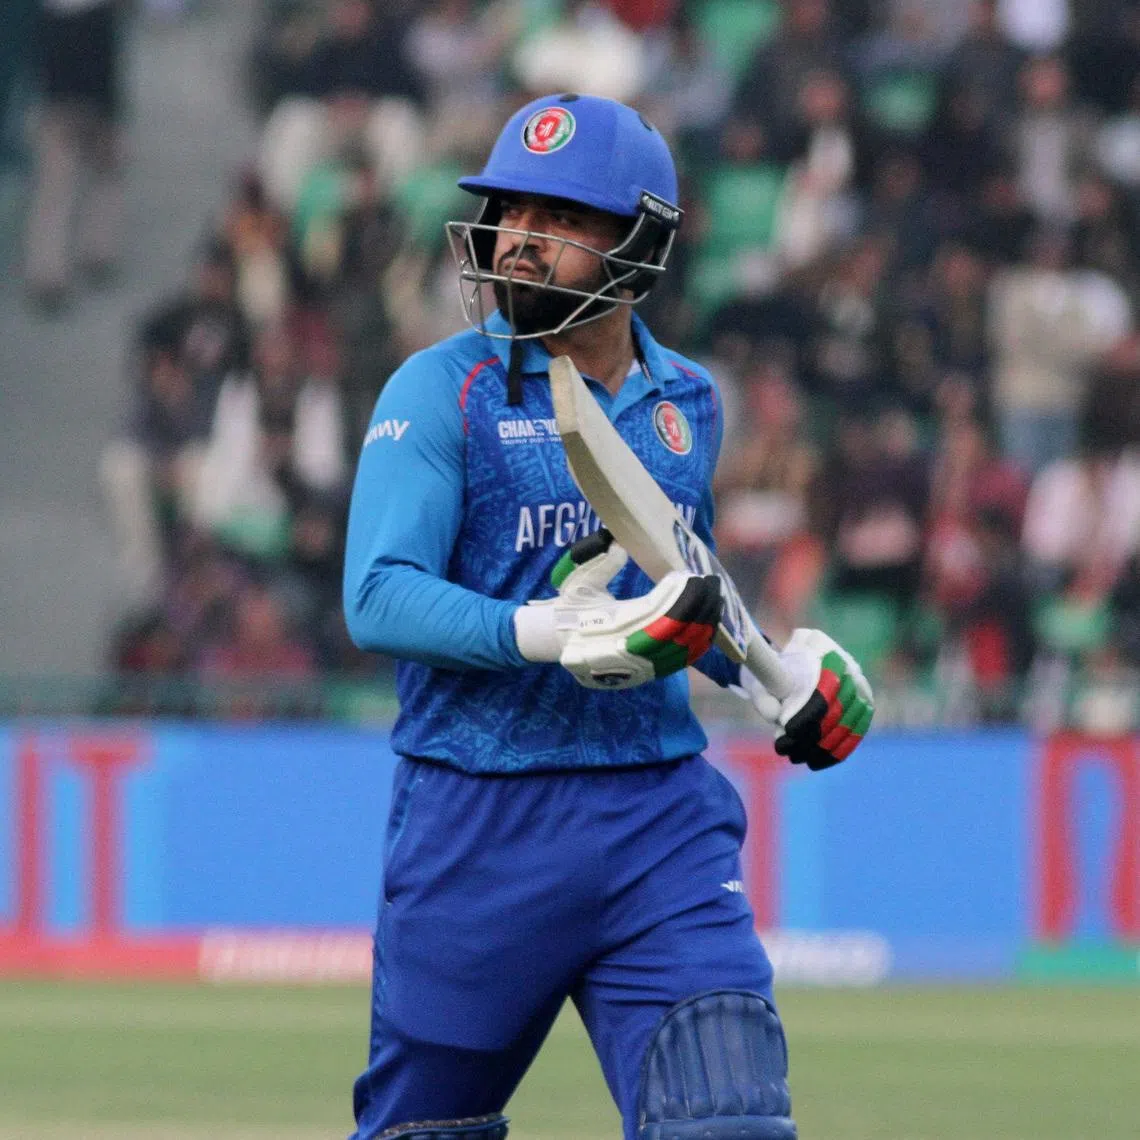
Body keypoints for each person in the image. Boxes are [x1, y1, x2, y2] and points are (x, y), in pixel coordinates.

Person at [342, 93, 874, 1140]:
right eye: (510, 210)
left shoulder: (690, 402)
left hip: (655, 818)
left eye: (562, 217)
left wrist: (775, 676)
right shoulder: (438, 389)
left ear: (638, 242)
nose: (520, 240)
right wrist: (547, 631)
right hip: (477, 824)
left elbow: (681, 582)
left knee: (728, 1120)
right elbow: (378, 594)